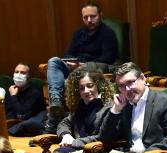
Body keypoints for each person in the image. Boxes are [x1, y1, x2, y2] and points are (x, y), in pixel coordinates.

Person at [46, 0, 118, 131]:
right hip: (77, 67)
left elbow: (108, 58)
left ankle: (54, 121)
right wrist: (71, 62)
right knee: (54, 61)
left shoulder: (108, 33)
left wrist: (82, 65)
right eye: (86, 17)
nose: (89, 20)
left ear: (100, 15)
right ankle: (56, 101)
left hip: (97, 67)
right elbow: (68, 53)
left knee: (81, 71)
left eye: (93, 16)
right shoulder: (79, 33)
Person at [98, 62, 167, 153]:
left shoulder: (165, 101)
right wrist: (116, 110)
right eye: (121, 86)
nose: (127, 89)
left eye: (130, 82)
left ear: (142, 78)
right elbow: (105, 138)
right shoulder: (125, 105)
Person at [55, 68, 113, 153]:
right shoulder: (80, 105)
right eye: (81, 88)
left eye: (90, 86)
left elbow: (103, 136)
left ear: (98, 85)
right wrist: (66, 135)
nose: (86, 91)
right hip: (78, 149)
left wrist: (74, 142)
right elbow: (64, 123)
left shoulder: (110, 107)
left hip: (97, 150)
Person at [4, 63, 46, 136]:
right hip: (14, 125)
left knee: (29, 123)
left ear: (29, 78)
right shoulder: (10, 91)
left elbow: (22, 114)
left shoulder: (34, 93)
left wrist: (13, 96)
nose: (18, 75)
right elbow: (8, 112)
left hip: (31, 125)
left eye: (22, 73)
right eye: (16, 72)